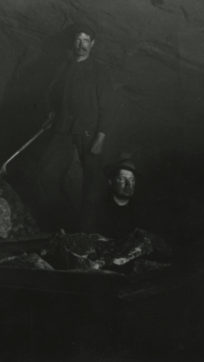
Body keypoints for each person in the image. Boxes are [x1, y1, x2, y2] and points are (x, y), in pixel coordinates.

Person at [38, 23, 116, 231]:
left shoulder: (100, 71)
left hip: (89, 132)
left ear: (93, 44)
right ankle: (62, 224)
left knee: (91, 183)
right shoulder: (65, 67)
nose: (81, 45)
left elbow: (108, 107)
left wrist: (100, 138)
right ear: (73, 42)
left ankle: (85, 232)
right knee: (46, 172)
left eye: (86, 41)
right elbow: (51, 94)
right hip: (63, 129)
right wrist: (52, 112)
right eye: (78, 40)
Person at [95, 158, 138, 238]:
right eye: (122, 179)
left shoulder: (140, 211)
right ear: (111, 182)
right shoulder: (99, 209)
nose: (128, 184)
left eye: (132, 180)